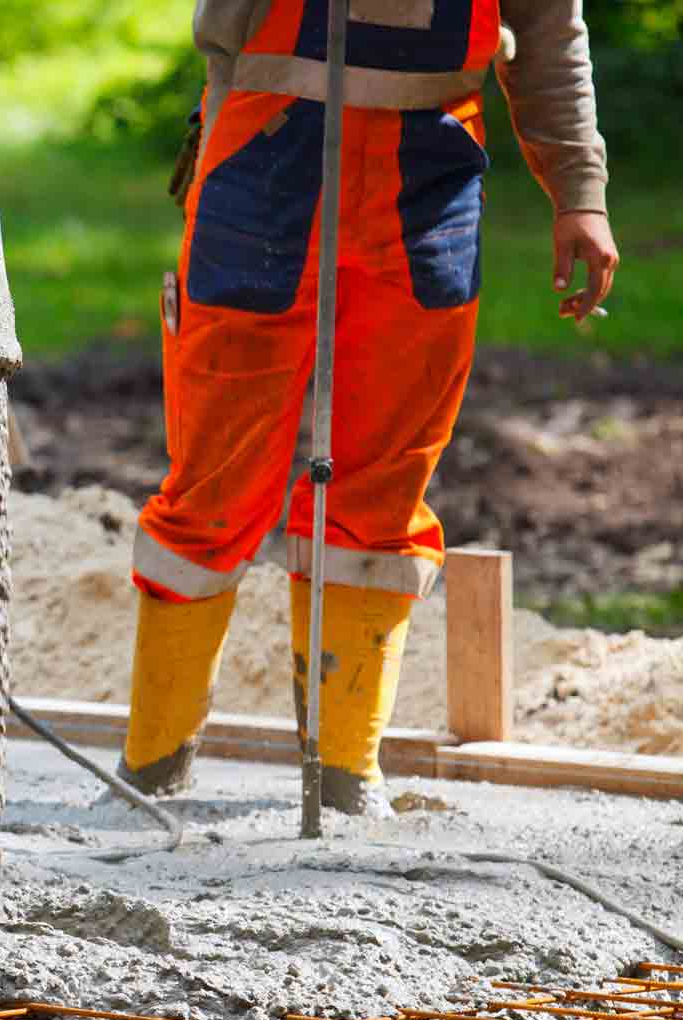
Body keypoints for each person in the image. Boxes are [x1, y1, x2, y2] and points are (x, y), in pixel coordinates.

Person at [119, 0, 618, 816]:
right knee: (217, 476)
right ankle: (152, 771)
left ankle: (348, 777)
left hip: (430, 166)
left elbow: (551, 33)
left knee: (386, 474)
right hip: (267, 140)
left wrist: (580, 192)